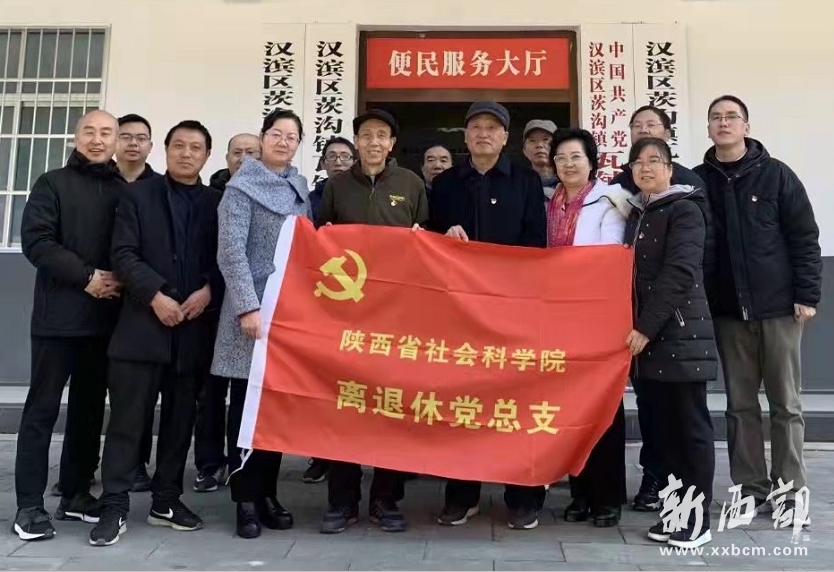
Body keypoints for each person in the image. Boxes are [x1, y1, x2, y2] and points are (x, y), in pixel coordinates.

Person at [90, 120, 222, 546]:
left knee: (180, 423)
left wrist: (209, 290)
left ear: (207, 155)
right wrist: (154, 296)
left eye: (196, 147)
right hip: (142, 328)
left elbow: (225, 258)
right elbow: (123, 254)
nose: (187, 153)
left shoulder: (218, 202)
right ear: (165, 150)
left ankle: (166, 500)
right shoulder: (137, 196)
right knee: (127, 422)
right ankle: (114, 505)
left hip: (192, 330)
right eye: (179, 145)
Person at [693, 95, 821, 523]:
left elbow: (804, 237)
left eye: (732, 117)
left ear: (746, 126)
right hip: (728, 312)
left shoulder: (777, 175)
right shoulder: (698, 181)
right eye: (716, 117)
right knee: (740, 405)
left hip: (779, 308)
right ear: (708, 128)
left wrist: (807, 295)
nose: (723, 123)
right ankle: (750, 489)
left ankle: (790, 492)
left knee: (786, 404)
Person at [427, 101, 547, 530]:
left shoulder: (526, 181)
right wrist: (444, 238)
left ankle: (523, 495)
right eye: (476, 126)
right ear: (465, 135)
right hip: (458, 312)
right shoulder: (445, 184)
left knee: (515, 401)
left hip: (511, 310)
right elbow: (426, 243)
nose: (483, 133)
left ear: (504, 137)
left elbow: (536, 244)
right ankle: (462, 493)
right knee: (464, 401)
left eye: (492, 128)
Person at [13, 110, 125, 542]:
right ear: (77, 137)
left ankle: (76, 493)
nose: (97, 139)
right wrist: (87, 277)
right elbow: (37, 241)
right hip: (57, 320)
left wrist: (122, 278)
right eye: (89, 132)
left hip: (105, 321)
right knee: (42, 411)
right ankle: (29, 506)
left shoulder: (123, 190)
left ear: (116, 140)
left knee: (89, 411)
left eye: (106, 133)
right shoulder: (52, 183)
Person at [317, 108, 427, 535]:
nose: (374, 142)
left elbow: (428, 243)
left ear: (392, 143)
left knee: (390, 406)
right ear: (357, 142)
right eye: (366, 135)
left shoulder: (411, 184)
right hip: (346, 317)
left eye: (382, 135)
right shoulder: (337, 186)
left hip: (397, 316)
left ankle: (385, 499)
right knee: (344, 404)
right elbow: (320, 241)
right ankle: (341, 501)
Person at [211, 108, 310, 539]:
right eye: (276, 134)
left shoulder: (299, 188)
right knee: (245, 409)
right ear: (263, 137)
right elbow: (230, 252)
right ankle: (245, 499)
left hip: (288, 312)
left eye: (292, 136)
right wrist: (247, 308)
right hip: (251, 313)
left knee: (275, 409)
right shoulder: (240, 188)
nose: (283, 142)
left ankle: (268, 492)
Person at [624, 136, 717, 548]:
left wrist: (644, 327)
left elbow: (679, 273)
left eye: (654, 161)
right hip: (651, 342)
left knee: (690, 431)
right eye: (638, 162)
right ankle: (676, 512)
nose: (646, 168)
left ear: (669, 168)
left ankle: (697, 521)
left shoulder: (685, 209)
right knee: (665, 433)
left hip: (680, 335)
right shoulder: (638, 213)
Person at [547, 128, 629, 528]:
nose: (568, 164)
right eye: (561, 158)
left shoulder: (610, 200)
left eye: (575, 156)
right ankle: (580, 493)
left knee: (604, 407)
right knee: (570, 407)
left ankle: (607, 497)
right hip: (557, 319)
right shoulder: (548, 204)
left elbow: (609, 257)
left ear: (592, 161)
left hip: (598, 317)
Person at [192, 133, 262, 495]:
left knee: (243, 394)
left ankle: (240, 465)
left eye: (252, 152)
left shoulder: (264, 195)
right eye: (238, 152)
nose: (245, 158)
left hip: (246, 308)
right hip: (209, 305)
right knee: (209, 393)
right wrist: (206, 286)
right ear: (226, 157)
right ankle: (209, 464)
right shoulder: (211, 197)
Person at [309, 136, 356, 223]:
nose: (338, 162)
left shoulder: (366, 196)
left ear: (355, 163)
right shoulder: (310, 200)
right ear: (323, 164)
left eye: (345, 156)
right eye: (331, 156)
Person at [521, 119, 559, 204]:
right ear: (524, 150)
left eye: (545, 139)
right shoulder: (517, 185)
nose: (539, 145)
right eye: (532, 140)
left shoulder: (570, 183)